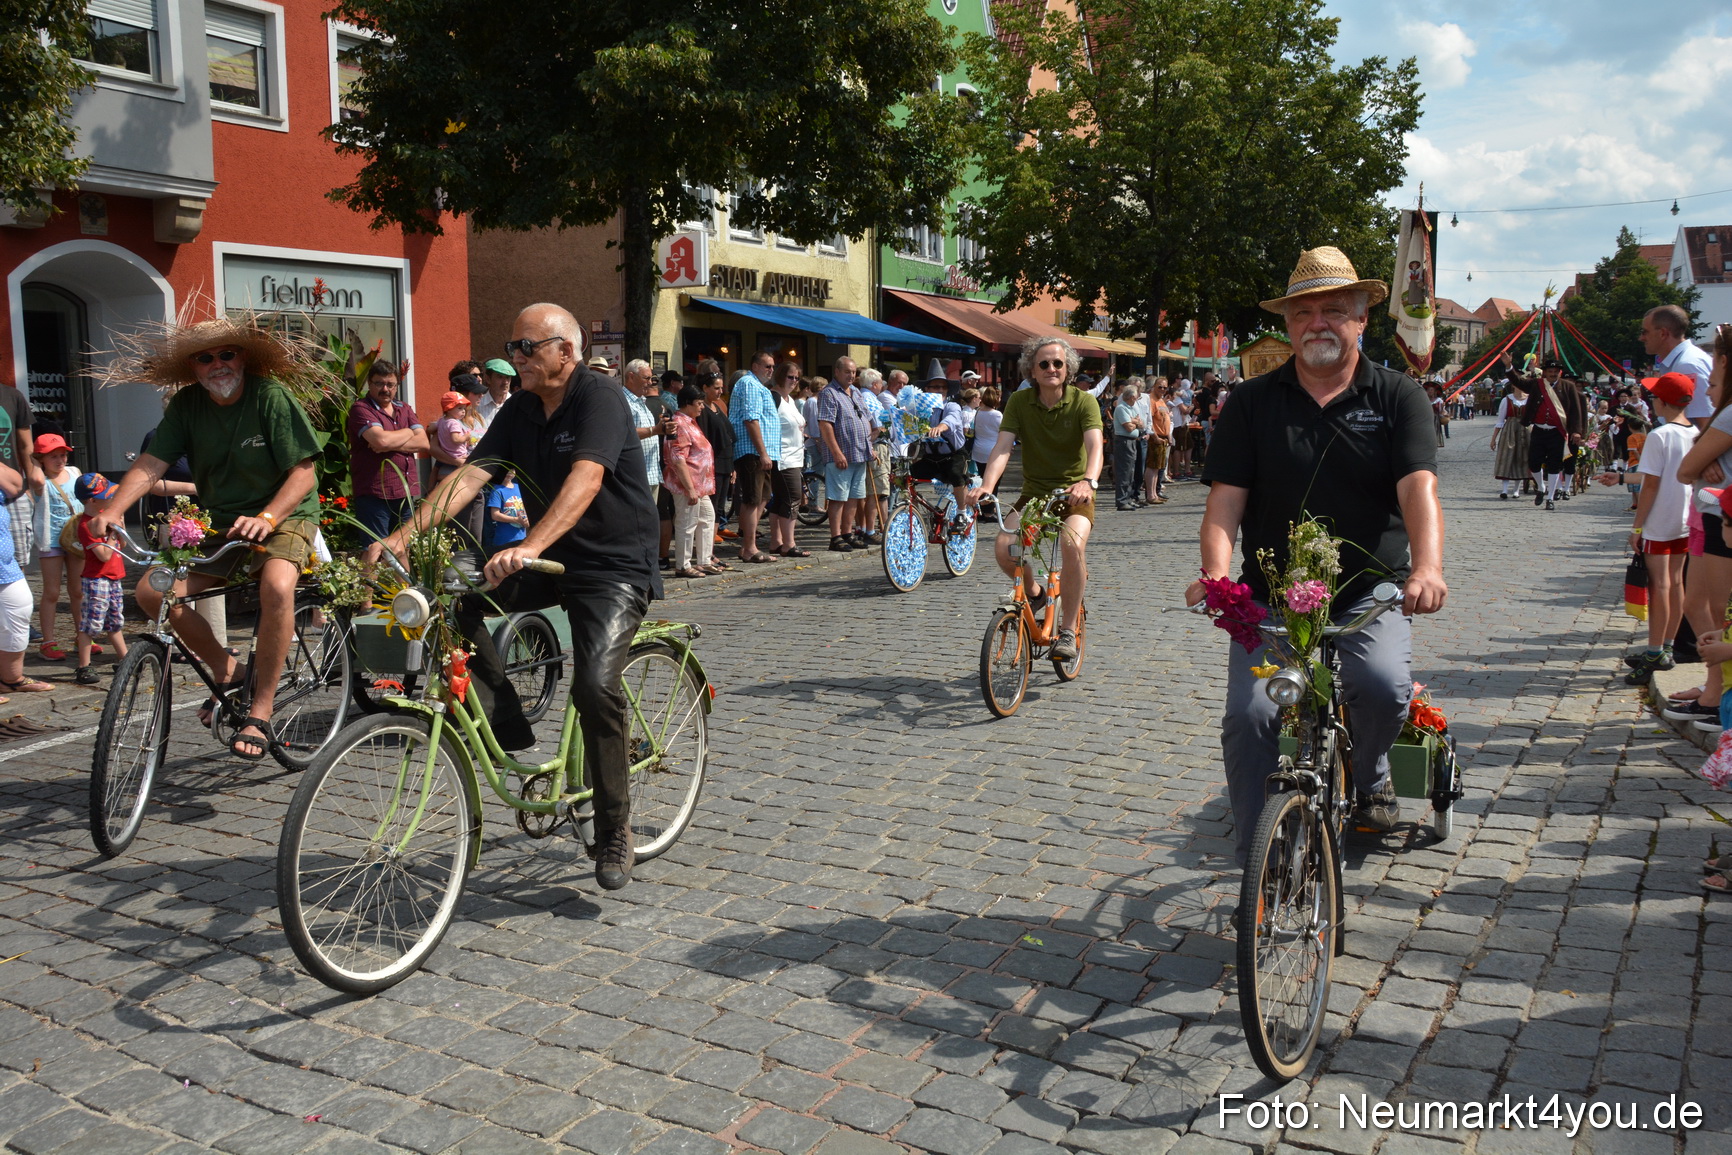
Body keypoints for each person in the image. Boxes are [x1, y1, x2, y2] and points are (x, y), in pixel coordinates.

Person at [368, 303, 659, 890]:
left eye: (529, 347)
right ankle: (509, 726)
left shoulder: (597, 398)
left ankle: (614, 829)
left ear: (566, 352)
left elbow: (587, 479)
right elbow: (471, 476)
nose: (517, 357)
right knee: (455, 601)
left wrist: (529, 545)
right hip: (548, 554)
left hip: (614, 564)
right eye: (514, 345)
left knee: (595, 685)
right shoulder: (522, 409)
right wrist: (398, 539)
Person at [1185, 245, 1445, 860]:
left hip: (1369, 594)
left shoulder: (1397, 396)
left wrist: (1428, 567)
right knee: (1251, 719)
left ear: (1360, 319)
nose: (1317, 324)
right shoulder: (1251, 402)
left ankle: (1371, 765)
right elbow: (1225, 503)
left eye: (1333, 310)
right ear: (1288, 325)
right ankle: (1261, 856)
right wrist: (1217, 575)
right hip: (1271, 600)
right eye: (1303, 313)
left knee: (1381, 689)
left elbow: (1418, 489)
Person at [88, 315, 324, 761]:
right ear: (193, 367)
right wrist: (113, 510)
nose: (218, 364)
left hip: (283, 513)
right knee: (153, 593)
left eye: (227, 353)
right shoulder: (187, 406)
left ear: (243, 357)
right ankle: (227, 667)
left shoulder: (270, 397)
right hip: (219, 521)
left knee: (276, 586)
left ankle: (260, 711)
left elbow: (304, 473)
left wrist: (269, 516)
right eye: (205, 357)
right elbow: (152, 463)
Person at [967, 335, 1104, 662]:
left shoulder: (1084, 402)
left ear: (1068, 368)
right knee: (1004, 547)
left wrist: (1089, 481)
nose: (1052, 368)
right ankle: (1035, 594)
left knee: (1072, 545)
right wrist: (987, 485)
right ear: (1032, 368)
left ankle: (1067, 631)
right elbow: (1002, 448)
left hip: (1075, 493)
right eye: (1044, 363)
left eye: (1058, 363)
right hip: (1036, 493)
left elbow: (1095, 445)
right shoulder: (1019, 402)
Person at [1666, 324, 1732, 731]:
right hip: (1716, 516)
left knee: (1715, 610)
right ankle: (1715, 691)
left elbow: (1687, 470)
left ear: (1723, 361)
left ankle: (1717, 694)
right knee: (1708, 607)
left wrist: (1703, 463)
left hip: (1721, 519)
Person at [1624, 372, 1697, 684]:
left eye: (1654, 396)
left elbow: (1651, 483)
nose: (1651, 400)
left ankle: (1654, 651)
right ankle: (1667, 646)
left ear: (1663, 401)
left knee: (1660, 587)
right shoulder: (1694, 431)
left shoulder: (1660, 435)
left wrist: (1637, 528)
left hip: (1659, 521)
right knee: (1677, 582)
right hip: (1684, 518)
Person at [347, 358, 427, 542]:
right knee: (375, 549)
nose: (385, 389)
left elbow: (423, 443)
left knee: (402, 547)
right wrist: (408, 432)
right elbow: (381, 440)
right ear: (370, 383)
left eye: (390, 384)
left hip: (404, 492)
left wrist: (389, 441)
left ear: (397, 386)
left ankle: (405, 574)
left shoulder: (404, 408)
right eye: (379, 384)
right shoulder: (361, 409)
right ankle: (372, 574)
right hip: (374, 493)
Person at [72, 474, 129, 686]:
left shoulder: (105, 517)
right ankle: (83, 666)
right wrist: (113, 533)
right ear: (92, 501)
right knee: (91, 623)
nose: (110, 500)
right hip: (97, 579)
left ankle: (124, 659)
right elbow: (104, 555)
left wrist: (119, 529)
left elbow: (121, 546)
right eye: (106, 496)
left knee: (115, 620)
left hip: (114, 576)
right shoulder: (87, 525)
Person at [817, 356, 878, 552]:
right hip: (841, 455)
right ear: (837, 372)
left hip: (860, 453)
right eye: (847, 372)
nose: (851, 375)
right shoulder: (829, 393)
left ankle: (847, 533)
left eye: (853, 372)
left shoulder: (857, 392)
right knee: (838, 497)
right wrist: (836, 452)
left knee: (854, 497)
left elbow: (867, 419)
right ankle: (835, 537)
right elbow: (825, 424)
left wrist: (870, 446)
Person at [32, 433, 83, 660]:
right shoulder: (39, 480)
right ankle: (48, 641)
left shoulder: (74, 473)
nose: (60, 460)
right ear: (41, 459)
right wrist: (34, 462)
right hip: (51, 541)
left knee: (78, 591)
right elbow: (32, 469)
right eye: (53, 456)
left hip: (77, 539)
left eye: (62, 455)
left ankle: (82, 636)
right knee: (52, 592)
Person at [729, 350, 781, 563]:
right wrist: (763, 453)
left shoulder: (759, 386)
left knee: (763, 497)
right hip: (753, 452)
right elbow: (751, 420)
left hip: (762, 452)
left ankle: (748, 545)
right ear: (755, 366)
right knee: (752, 499)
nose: (771, 370)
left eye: (772, 366)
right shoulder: (749, 384)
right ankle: (749, 547)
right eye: (767, 366)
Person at [666, 383, 720, 577]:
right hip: (686, 485)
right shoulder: (679, 423)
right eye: (698, 403)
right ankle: (682, 565)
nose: (702, 407)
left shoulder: (689, 421)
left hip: (700, 485)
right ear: (687, 403)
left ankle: (704, 560)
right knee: (687, 523)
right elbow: (678, 459)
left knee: (707, 518)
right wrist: (689, 488)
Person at [909, 367, 971, 529]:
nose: (940, 390)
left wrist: (941, 427)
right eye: (935, 387)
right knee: (906, 476)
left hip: (954, 455)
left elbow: (953, 419)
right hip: (931, 457)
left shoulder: (951, 406)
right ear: (927, 389)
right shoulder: (920, 409)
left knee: (957, 475)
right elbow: (907, 422)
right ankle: (913, 510)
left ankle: (961, 513)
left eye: (943, 387)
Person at [1520, 359, 1585, 510]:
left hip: (1557, 431)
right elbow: (1520, 383)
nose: (1553, 374)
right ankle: (1541, 488)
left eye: (1556, 372)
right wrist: (1508, 366)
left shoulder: (1568, 387)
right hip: (1539, 429)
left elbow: (1575, 411)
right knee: (1534, 462)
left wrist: (1576, 431)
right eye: (1550, 371)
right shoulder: (1537, 384)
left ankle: (1550, 498)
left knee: (1555, 465)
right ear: (1544, 372)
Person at [1643, 304, 1713, 429]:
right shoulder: (1682, 362)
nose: (1641, 338)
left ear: (1663, 333)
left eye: (1645, 332)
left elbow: (1705, 425)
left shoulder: (1687, 365)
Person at [768, 361, 810, 557]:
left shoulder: (790, 400)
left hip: (795, 455)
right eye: (790, 377)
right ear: (780, 376)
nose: (794, 381)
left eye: (797, 378)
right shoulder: (774, 397)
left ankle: (776, 542)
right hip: (783, 457)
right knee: (793, 498)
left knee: (780, 501)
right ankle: (789, 544)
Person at [0, 377, 37, 591]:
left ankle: (15, 618)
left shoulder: (12, 396)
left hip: (13, 493)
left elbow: (25, 445)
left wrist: (30, 488)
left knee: (17, 560)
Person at [1491, 375, 1531, 499]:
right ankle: (1504, 490)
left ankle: (1516, 490)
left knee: (1522, 458)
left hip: (1526, 431)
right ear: (1513, 386)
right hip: (1510, 430)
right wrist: (1494, 439)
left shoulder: (1530, 400)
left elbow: (1533, 418)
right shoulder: (1507, 400)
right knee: (1507, 457)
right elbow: (1500, 420)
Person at [1112, 382, 1145, 511]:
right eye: (1136, 396)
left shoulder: (1132, 408)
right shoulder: (1121, 408)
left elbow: (1141, 424)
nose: (1137, 399)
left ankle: (1128, 498)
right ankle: (1121, 500)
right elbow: (1128, 427)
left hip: (1132, 441)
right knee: (1124, 471)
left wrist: (1135, 422)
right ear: (1131, 397)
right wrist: (1135, 422)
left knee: (1131, 472)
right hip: (1124, 441)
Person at [485, 469, 528, 555]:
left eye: (512, 469)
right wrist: (516, 519)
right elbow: (495, 515)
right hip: (504, 540)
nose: (509, 472)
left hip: (521, 538)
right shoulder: (497, 490)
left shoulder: (519, 487)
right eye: (506, 469)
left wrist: (527, 521)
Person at [1144, 379, 1172, 504]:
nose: (1162, 390)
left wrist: (1168, 436)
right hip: (1156, 437)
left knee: (1158, 467)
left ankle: (1154, 493)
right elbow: (1149, 421)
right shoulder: (1151, 400)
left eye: (1165, 388)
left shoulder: (1161, 400)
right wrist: (1155, 437)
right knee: (1152, 466)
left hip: (1163, 437)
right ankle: (1150, 494)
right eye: (1160, 387)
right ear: (1154, 386)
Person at [970, 386, 1003, 490]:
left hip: (978, 450)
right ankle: (991, 504)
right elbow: (1003, 431)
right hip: (993, 451)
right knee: (994, 483)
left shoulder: (977, 412)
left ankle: (984, 504)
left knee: (983, 480)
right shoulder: (997, 414)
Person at [476, 358, 518, 429]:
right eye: (500, 377)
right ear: (488, 379)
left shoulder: (516, 405)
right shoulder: (478, 405)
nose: (505, 382)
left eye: (508, 377)